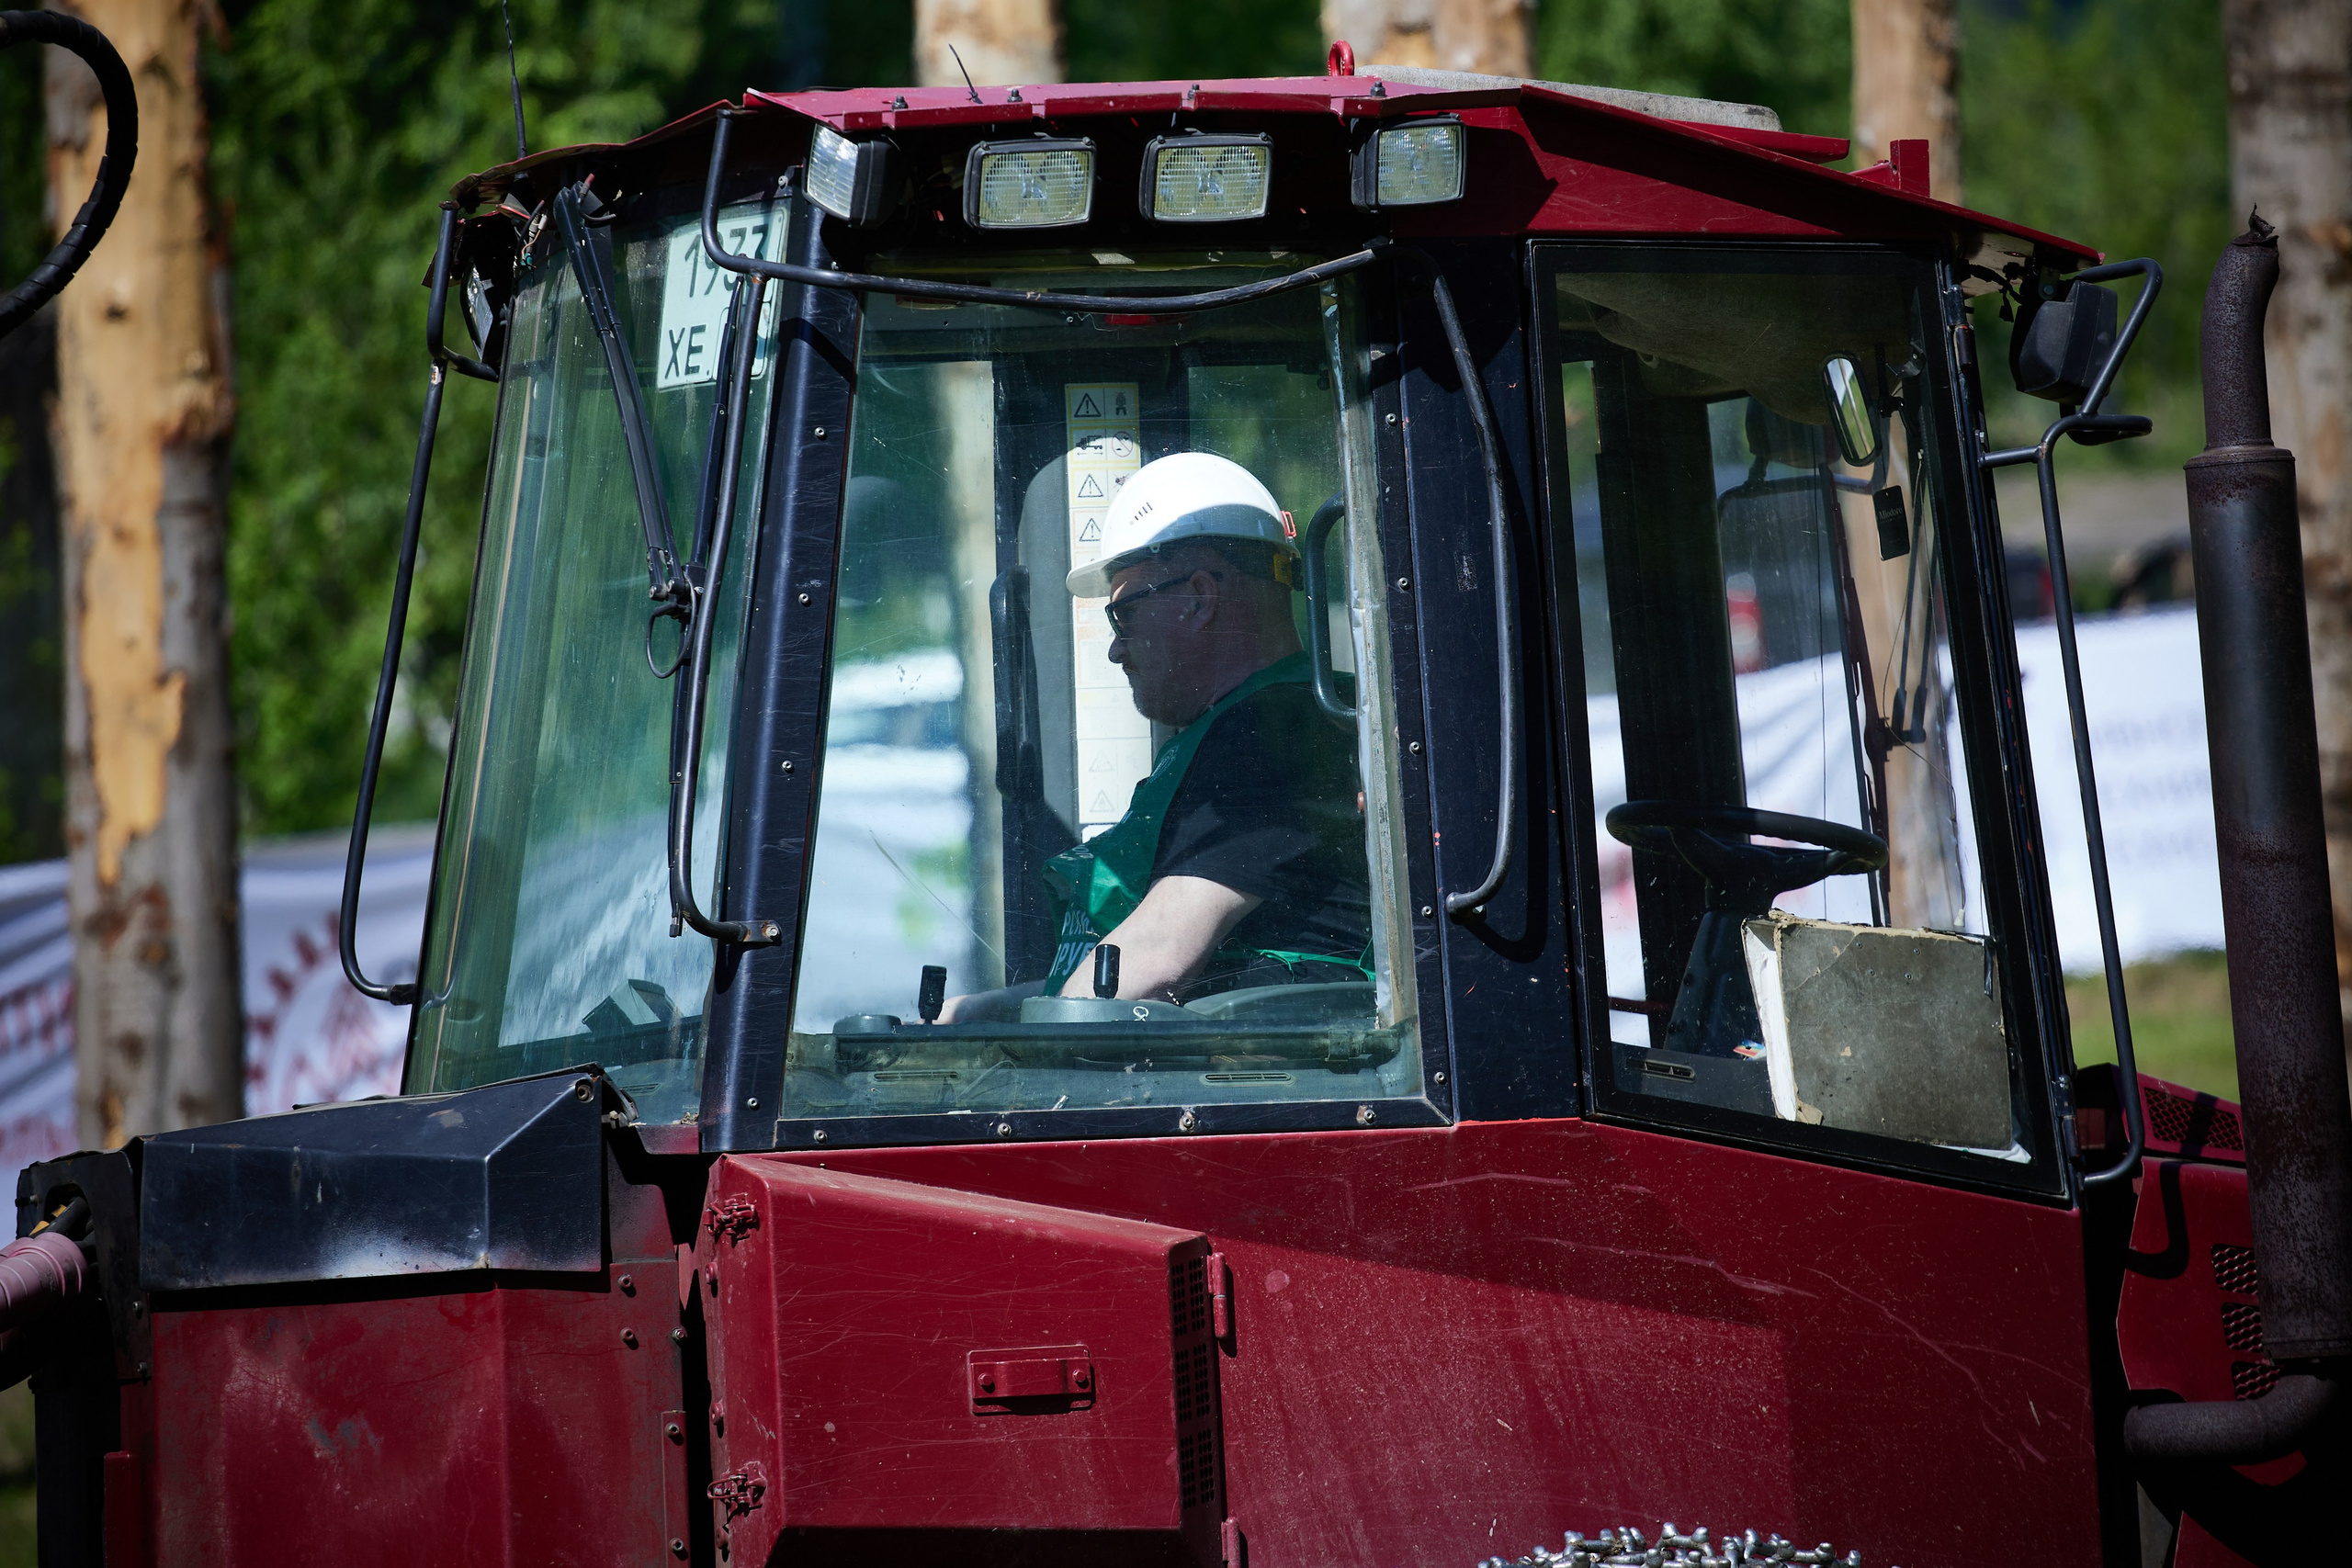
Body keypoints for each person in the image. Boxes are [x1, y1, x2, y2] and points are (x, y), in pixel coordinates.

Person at [941, 453, 1370, 1021]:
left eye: (1124, 615)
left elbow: (1155, 959)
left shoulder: (1271, 732)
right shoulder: (1263, 723)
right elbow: (1118, 976)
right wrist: (976, 1014)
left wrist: (1029, 1053)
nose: (1115, 649)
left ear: (1198, 598)